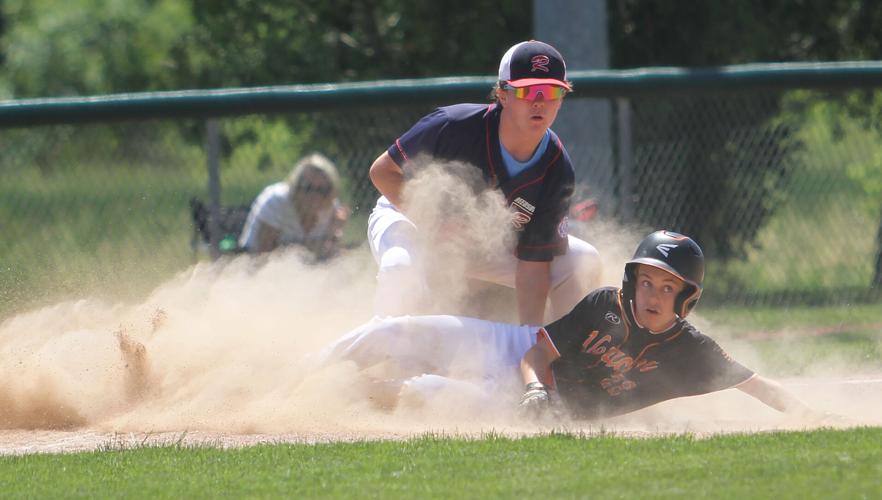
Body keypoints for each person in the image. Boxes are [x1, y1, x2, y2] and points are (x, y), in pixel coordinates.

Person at [319, 230, 822, 422]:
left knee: (423, 391)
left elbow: (758, 385)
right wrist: (535, 388)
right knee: (395, 330)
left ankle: (336, 398)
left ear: (686, 299)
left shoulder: (692, 350)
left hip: (544, 410)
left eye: (668, 288)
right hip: (521, 359)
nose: (652, 295)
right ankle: (300, 374)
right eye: (647, 281)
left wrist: (814, 417)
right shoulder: (605, 305)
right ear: (631, 282)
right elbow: (535, 354)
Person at [367, 40, 601, 325]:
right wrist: (435, 222)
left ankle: (558, 350)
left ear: (562, 99)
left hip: (487, 242)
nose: (539, 101)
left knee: (581, 261)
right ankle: (385, 348)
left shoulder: (556, 167)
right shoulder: (453, 125)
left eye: (551, 91)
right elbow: (382, 172)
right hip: (411, 220)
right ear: (503, 94)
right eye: (527, 90)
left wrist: (529, 338)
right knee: (399, 268)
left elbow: (534, 264)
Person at [239, 153, 350, 261]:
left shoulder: (331, 207)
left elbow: (330, 256)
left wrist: (334, 232)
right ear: (295, 186)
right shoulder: (276, 201)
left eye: (322, 190)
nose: (314, 196)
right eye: (307, 187)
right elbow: (263, 254)